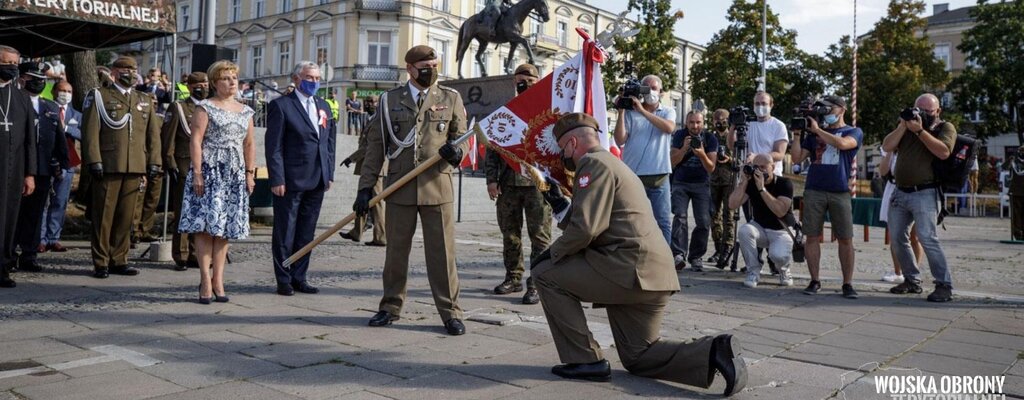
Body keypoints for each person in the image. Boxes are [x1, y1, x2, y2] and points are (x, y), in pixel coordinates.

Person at [530, 113, 746, 395]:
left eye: (562, 149)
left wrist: (551, 254)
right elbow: (599, 218)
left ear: (571, 143)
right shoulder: (612, 163)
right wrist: (561, 204)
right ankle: (713, 352)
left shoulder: (592, 164)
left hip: (628, 270)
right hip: (652, 274)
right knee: (639, 357)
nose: (562, 156)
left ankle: (584, 361)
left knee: (544, 274)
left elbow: (586, 229)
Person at [354, 45, 469, 336]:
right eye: (425, 67)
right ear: (410, 69)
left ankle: (451, 313)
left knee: (443, 255)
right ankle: (390, 307)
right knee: (395, 254)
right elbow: (376, 147)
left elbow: (462, 137)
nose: (431, 71)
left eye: (434, 65)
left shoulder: (450, 97)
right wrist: (366, 187)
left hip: (437, 186)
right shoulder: (389, 100)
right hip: (400, 187)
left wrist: (458, 153)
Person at [178, 61, 256, 304]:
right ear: (214, 83)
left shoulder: (246, 111)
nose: (232, 82)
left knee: (224, 230)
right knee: (205, 227)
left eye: (234, 77)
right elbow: (196, 141)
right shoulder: (205, 108)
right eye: (226, 78)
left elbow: (249, 144)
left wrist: (250, 173)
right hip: (211, 172)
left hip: (234, 174)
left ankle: (219, 280)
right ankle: (204, 278)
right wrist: (198, 173)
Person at [81, 56, 162, 279]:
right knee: (104, 216)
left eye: (134, 69)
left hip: (135, 165)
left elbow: (153, 136)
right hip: (108, 164)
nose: (132, 73)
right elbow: (90, 131)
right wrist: (94, 160)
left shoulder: (143, 99)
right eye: (127, 69)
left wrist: (154, 162)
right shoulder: (99, 95)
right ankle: (101, 261)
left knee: (127, 218)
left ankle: (119, 259)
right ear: (115, 72)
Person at [266, 61, 336, 296]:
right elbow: (274, 146)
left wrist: (329, 172)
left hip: (317, 179)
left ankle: (300, 276)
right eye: (309, 77)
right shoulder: (282, 106)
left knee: (307, 232)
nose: (314, 82)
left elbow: (329, 143)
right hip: (291, 179)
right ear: (296, 78)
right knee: (285, 231)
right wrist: (277, 178)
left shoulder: (323, 105)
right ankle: (283, 278)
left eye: (317, 78)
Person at [484, 63, 550, 304]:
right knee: (510, 235)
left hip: (538, 186)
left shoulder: (546, 109)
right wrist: (491, 179)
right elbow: (492, 148)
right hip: (507, 183)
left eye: (529, 81)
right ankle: (513, 277)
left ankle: (537, 284)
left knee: (540, 238)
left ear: (537, 82)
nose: (524, 84)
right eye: (520, 80)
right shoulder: (505, 110)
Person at [881, 93, 956, 302]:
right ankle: (911, 280)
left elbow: (943, 152)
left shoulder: (945, 127)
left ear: (938, 111)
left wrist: (921, 131)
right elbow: (887, 146)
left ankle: (944, 284)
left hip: (925, 192)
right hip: (900, 191)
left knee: (927, 238)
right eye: (918, 109)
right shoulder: (906, 129)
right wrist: (903, 126)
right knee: (896, 238)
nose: (921, 113)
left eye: (927, 110)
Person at [789, 95, 862, 298]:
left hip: (839, 190)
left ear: (841, 109)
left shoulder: (853, 131)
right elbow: (796, 158)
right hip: (814, 189)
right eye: (823, 109)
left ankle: (847, 283)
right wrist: (797, 135)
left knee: (845, 238)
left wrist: (818, 130)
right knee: (812, 236)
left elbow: (842, 144)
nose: (826, 113)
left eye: (829, 109)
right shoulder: (812, 136)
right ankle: (815, 280)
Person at [12, 62, 68, 272]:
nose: (39, 82)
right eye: (34, 78)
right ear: (23, 79)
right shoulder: (14, 102)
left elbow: (59, 138)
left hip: (43, 168)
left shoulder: (50, 106)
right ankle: (9, 252)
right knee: (14, 213)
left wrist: (62, 163)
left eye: (42, 79)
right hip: (17, 168)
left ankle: (29, 254)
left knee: (35, 214)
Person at [613, 74, 677, 244]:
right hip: (633, 175)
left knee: (662, 221)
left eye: (653, 88)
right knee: (631, 221)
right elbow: (620, 140)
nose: (650, 92)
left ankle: (664, 264)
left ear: (661, 92)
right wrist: (621, 112)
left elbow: (669, 128)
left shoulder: (668, 111)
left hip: (659, 175)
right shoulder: (630, 112)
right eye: (646, 87)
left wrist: (642, 110)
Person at [163, 72, 209, 271]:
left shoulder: (211, 106)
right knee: (183, 212)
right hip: (185, 165)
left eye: (205, 83)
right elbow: (168, 138)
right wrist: (170, 162)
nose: (202, 87)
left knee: (201, 212)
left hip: (207, 166)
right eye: (197, 84)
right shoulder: (179, 107)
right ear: (189, 87)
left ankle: (195, 253)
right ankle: (181, 254)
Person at [0, 45, 38, 288]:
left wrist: (30, 174)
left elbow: (30, 140)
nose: (13, 68)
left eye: (16, 63)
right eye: (8, 63)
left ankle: (3, 267)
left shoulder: (22, 97)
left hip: (14, 168)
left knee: (9, 217)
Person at [728, 154, 796, 288]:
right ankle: (753, 270)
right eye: (756, 167)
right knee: (744, 231)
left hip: (781, 231)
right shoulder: (751, 183)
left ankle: (784, 270)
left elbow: (780, 211)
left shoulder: (784, 183)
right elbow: (732, 205)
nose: (760, 171)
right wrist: (743, 181)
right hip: (761, 228)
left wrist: (762, 188)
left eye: (764, 167)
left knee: (778, 255)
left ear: (773, 167)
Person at [668, 111, 717, 271]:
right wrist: (684, 149)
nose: (695, 126)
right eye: (691, 122)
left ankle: (696, 256)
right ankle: (678, 254)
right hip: (680, 182)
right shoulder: (679, 135)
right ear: (686, 122)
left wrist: (702, 154)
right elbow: (672, 162)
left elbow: (711, 167)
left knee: (703, 221)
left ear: (703, 123)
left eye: (698, 122)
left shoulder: (710, 138)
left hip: (701, 184)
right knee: (680, 217)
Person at [39, 80, 81, 253]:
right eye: (62, 90)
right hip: (46, 161)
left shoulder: (76, 114)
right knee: (43, 202)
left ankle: (53, 238)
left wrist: (67, 129)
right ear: (55, 91)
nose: (66, 94)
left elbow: (84, 134)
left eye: (69, 91)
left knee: (60, 201)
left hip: (68, 163)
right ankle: (40, 238)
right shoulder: (45, 108)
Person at [877, 147, 924, 283]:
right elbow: (883, 170)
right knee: (896, 235)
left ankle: (914, 272)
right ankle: (898, 271)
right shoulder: (891, 145)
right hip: (894, 188)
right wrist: (891, 150)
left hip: (915, 190)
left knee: (914, 237)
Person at [339, 121, 387, 247]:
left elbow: (369, 147)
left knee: (377, 204)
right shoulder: (374, 119)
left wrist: (351, 158)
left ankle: (381, 237)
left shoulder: (379, 121)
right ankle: (357, 232)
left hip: (375, 168)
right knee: (362, 202)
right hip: (368, 168)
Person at [729, 92, 788, 176]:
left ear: (771, 105)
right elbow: (732, 147)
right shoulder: (747, 124)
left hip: (770, 175)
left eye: (764, 103)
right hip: (749, 175)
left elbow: (779, 154)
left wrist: (757, 157)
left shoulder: (778, 126)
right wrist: (732, 126)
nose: (760, 106)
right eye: (757, 103)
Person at [708, 109, 737, 270]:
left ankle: (727, 247)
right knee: (714, 215)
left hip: (729, 180)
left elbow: (739, 158)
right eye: (717, 120)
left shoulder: (732, 137)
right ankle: (718, 248)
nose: (720, 122)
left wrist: (729, 159)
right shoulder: (710, 137)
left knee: (729, 215)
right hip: (713, 180)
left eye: (723, 119)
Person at [1009, 146, 1024, 240]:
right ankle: (1017, 233)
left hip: (1017, 191)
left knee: (1018, 214)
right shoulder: (1014, 160)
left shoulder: (1015, 160)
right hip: (1016, 192)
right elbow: (1004, 166)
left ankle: (1019, 233)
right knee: (1016, 214)